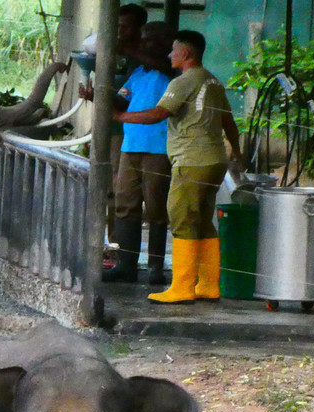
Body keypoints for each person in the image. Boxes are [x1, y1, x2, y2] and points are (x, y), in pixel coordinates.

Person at [114, 30, 242, 304]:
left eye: (173, 50)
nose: (169, 55)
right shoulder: (213, 81)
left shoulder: (184, 82)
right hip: (215, 161)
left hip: (192, 161)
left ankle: (182, 286)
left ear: (186, 53)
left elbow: (159, 113)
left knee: (182, 219)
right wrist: (238, 152)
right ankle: (208, 284)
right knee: (204, 221)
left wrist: (120, 116)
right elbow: (229, 122)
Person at [103, 21, 177, 285]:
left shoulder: (172, 72)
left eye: (151, 41)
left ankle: (155, 266)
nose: (145, 45)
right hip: (130, 146)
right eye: (144, 40)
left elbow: (162, 64)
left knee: (156, 208)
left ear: (168, 44)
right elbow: (123, 100)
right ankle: (126, 264)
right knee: (125, 205)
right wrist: (99, 95)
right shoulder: (140, 73)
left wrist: (128, 48)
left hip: (158, 147)